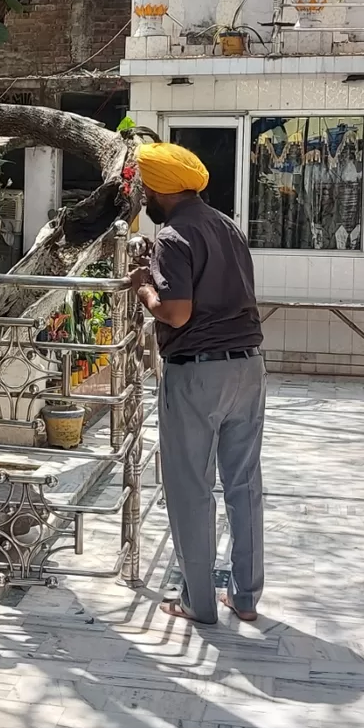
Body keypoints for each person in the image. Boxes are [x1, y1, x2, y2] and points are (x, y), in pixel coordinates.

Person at [131, 141, 265, 626]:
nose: (143, 194)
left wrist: (144, 287)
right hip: (248, 365)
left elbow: (176, 311)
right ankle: (246, 597)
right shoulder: (227, 226)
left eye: (145, 187)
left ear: (158, 190)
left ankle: (197, 601)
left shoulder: (172, 235)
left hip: (197, 371)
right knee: (244, 484)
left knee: (190, 487)